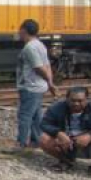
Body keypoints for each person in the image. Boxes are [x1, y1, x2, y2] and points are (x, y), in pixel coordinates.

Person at [39, 86, 91, 179]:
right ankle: (66, 161)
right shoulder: (56, 108)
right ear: (67, 99)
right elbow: (44, 124)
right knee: (41, 138)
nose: (76, 103)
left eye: (80, 101)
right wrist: (58, 133)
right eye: (72, 100)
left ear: (87, 99)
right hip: (65, 145)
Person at [13, 19, 57, 150]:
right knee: (36, 115)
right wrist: (50, 82)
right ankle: (36, 141)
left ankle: (20, 143)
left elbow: (39, 67)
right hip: (38, 86)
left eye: (19, 30)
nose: (18, 32)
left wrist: (50, 83)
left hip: (30, 87)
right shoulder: (40, 44)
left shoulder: (30, 47)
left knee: (25, 115)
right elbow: (47, 65)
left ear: (24, 30)